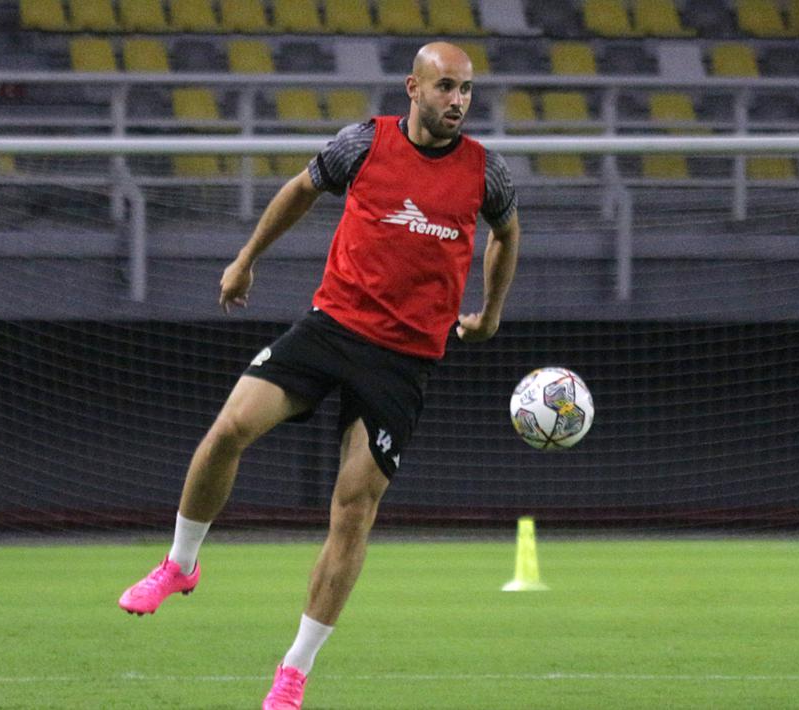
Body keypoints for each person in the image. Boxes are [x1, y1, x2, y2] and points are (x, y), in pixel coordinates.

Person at [117, 41, 520, 710]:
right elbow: (300, 189)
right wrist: (245, 260)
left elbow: (507, 233)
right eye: (445, 86)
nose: (458, 101)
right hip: (332, 327)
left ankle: (294, 670)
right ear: (412, 88)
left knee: (353, 509)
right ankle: (179, 565)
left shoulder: (487, 172)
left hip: (405, 359)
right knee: (229, 429)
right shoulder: (362, 143)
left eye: (467, 90)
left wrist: (491, 314)